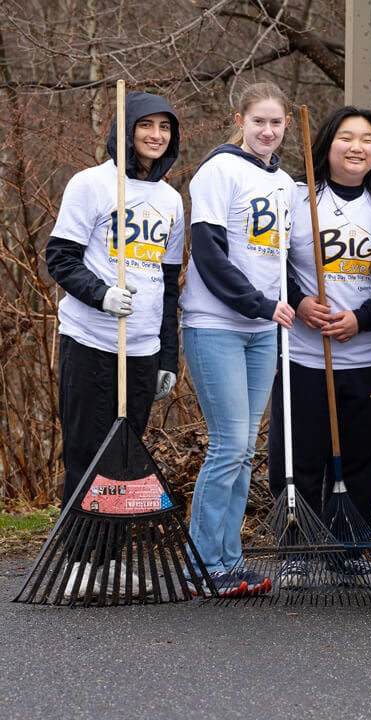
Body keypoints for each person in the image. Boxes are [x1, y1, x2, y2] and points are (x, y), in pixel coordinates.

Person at [45, 92, 184, 594]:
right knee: (87, 451)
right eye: (145, 125)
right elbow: (60, 257)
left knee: (125, 460)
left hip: (143, 348)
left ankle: (109, 561)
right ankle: (78, 564)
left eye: (164, 128)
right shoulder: (92, 184)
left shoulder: (171, 200)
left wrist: (168, 353)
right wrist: (101, 295)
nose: (155, 135)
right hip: (93, 341)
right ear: (126, 131)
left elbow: (169, 287)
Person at [267, 106, 371, 589]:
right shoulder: (297, 199)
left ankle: (348, 551)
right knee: (298, 456)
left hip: (367, 358)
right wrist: (299, 303)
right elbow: (270, 268)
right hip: (303, 356)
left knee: (360, 461)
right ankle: (296, 549)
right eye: (346, 137)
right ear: (326, 144)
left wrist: (361, 319)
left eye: (367, 139)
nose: (356, 147)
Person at [182, 81, 296, 598]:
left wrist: (285, 303)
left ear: (286, 125)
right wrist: (258, 304)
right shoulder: (219, 171)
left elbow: (278, 262)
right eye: (258, 122)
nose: (267, 131)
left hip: (262, 331)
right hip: (216, 326)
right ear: (239, 121)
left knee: (245, 449)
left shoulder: (287, 184)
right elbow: (208, 254)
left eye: (275, 123)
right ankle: (202, 565)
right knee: (228, 446)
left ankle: (229, 560)